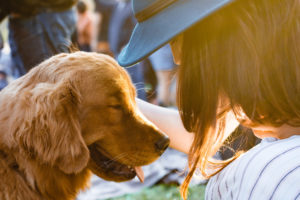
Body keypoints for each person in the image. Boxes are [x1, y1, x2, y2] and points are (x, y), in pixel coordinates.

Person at [118, 0, 300, 199]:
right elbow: (201, 135)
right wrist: (117, 105)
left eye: (174, 39)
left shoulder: (262, 176)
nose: (176, 58)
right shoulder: (254, 60)